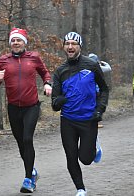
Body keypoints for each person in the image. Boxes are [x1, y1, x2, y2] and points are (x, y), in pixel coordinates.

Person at [0, 27, 52, 193]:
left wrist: (47, 83)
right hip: (13, 108)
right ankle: (32, 171)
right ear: (10, 43)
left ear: (24, 42)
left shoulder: (34, 57)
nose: (16, 43)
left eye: (19, 40)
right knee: (20, 142)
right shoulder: (3, 60)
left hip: (31, 106)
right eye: (13, 41)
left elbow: (45, 73)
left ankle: (28, 180)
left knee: (27, 139)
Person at [51, 32, 109, 196]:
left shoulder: (91, 65)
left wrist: (100, 109)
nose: (70, 46)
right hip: (68, 120)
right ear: (64, 47)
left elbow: (104, 89)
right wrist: (58, 101)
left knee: (85, 159)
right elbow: (55, 102)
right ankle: (80, 189)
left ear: (79, 46)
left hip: (88, 119)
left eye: (73, 44)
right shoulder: (60, 71)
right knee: (71, 157)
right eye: (67, 43)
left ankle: (94, 146)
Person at [88, 53, 112, 128]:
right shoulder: (99, 68)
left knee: (92, 105)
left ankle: (94, 120)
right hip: (96, 90)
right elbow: (108, 68)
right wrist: (103, 62)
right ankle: (96, 121)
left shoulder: (85, 67)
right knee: (98, 106)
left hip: (89, 90)